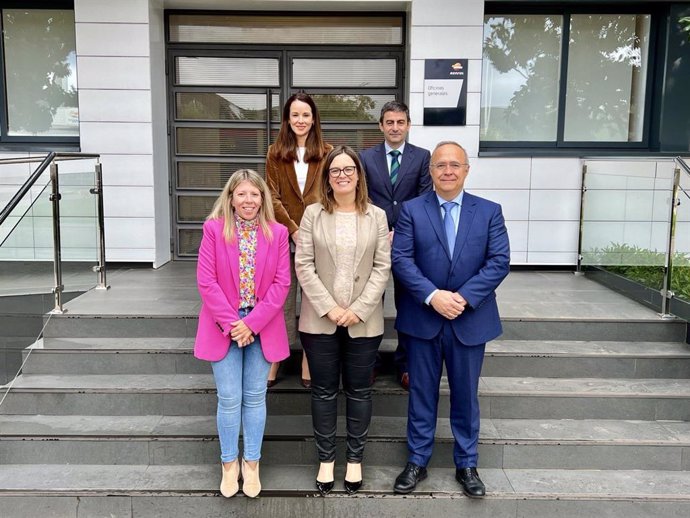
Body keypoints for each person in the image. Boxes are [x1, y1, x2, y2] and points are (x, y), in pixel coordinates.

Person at [391, 141, 510, 498]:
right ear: (430, 171)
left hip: (469, 319)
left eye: (454, 165)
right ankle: (416, 462)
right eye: (440, 164)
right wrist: (433, 296)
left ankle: (467, 463)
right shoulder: (412, 210)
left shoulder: (489, 211)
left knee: (465, 396)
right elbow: (402, 259)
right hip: (423, 319)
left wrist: (463, 298)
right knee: (422, 395)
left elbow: (499, 261)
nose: (447, 171)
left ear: (466, 170)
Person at [295, 145, 391, 496]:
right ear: (327, 177)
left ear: (359, 175)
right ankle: (325, 460)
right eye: (335, 171)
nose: (342, 176)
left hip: (363, 321)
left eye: (348, 170)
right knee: (322, 392)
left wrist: (358, 309)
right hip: (320, 321)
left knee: (359, 391)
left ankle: (354, 459)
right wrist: (330, 308)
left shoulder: (377, 216)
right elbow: (303, 265)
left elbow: (383, 267)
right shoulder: (312, 215)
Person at [194, 169, 291, 499]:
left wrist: (252, 324)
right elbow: (206, 282)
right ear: (231, 198)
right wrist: (233, 324)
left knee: (254, 398)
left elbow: (282, 285)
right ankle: (229, 464)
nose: (248, 200)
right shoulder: (213, 230)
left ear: (262, 198)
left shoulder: (276, 233)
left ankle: (252, 463)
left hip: (261, 326)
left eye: (254, 194)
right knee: (229, 398)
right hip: (224, 326)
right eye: (242, 194)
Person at [359, 100, 431, 390]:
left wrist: (399, 231)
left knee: (408, 303)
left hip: (408, 242)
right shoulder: (366, 158)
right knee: (371, 302)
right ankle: (370, 362)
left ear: (408, 125)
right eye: (389, 122)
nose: (395, 127)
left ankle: (405, 363)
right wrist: (381, 229)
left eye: (400, 122)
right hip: (372, 240)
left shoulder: (422, 157)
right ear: (381, 125)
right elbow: (362, 195)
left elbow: (424, 198)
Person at [266, 92, 332, 388]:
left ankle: (308, 357)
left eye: (306, 115)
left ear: (314, 118)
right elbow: (272, 196)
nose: (300, 120)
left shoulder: (328, 153)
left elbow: (331, 194)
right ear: (287, 119)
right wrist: (294, 229)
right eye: (295, 115)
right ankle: (275, 358)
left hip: (319, 237)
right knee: (281, 300)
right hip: (283, 236)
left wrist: (309, 231)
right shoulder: (275, 152)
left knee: (312, 300)